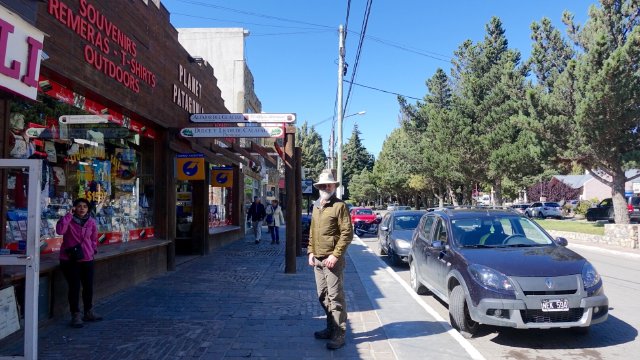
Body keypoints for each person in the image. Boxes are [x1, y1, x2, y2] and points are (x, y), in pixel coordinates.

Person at [307, 170, 353, 350]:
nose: (326, 187)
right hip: (317, 260)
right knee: (322, 296)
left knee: (335, 297)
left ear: (334, 186)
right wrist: (310, 251)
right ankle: (330, 327)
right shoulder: (316, 205)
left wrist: (335, 255)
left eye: (329, 184)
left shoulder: (339, 206)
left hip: (332, 261)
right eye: (323, 185)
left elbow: (347, 233)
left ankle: (339, 333)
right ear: (319, 187)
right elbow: (312, 231)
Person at [56, 198, 102, 328]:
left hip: (87, 258)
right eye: (79, 206)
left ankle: (88, 311)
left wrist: (92, 250)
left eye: (85, 206)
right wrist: (69, 215)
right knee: (74, 287)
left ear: (88, 209)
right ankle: (75, 314)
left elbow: (94, 238)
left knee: (88, 287)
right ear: (74, 208)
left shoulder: (91, 222)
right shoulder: (68, 220)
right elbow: (60, 231)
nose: (82, 208)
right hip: (70, 260)